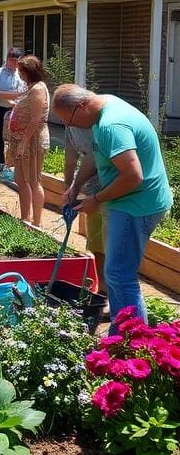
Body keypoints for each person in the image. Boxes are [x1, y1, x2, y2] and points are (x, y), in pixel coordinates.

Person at [52, 84, 173, 328]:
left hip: (136, 204)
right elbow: (94, 156)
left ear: (81, 106)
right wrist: (76, 186)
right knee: (115, 273)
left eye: (68, 120)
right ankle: (120, 336)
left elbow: (133, 176)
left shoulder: (111, 125)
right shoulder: (102, 108)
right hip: (127, 202)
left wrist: (96, 200)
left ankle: (132, 343)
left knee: (120, 275)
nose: (69, 126)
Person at [61, 122, 106, 294]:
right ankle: (102, 290)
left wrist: (75, 187)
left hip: (112, 189)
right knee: (96, 241)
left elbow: (92, 158)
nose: (64, 120)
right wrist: (69, 190)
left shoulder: (99, 125)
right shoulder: (71, 126)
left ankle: (112, 294)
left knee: (109, 243)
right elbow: (70, 160)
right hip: (93, 190)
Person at [8, 55, 50, 227]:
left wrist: (24, 142)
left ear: (28, 72)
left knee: (33, 180)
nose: (19, 74)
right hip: (21, 140)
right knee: (21, 179)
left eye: (20, 71)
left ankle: (37, 222)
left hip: (32, 140)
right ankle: (25, 218)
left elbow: (35, 118)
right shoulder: (30, 88)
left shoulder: (38, 89)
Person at [0, 48, 24, 171]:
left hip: (16, 108)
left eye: (16, 61)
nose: (14, 64)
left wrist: (16, 99)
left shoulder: (20, 74)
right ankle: (0, 163)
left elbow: (23, 91)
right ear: (7, 59)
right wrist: (12, 96)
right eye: (12, 60)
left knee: (15, 135)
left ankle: (14, 162)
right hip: (0, 107)